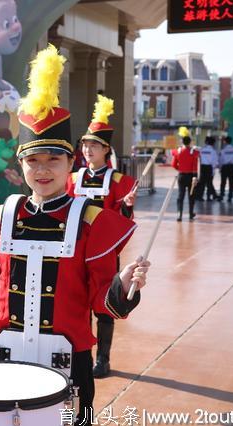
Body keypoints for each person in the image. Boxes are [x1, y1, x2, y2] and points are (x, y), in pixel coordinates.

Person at [0, 46, 150, 426]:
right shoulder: (0, 218)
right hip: (4, 359)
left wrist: (125, 286)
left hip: (70, 366)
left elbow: (100, 301)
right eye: (33, 161)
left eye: (53, 160)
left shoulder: (92, 223)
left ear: (71, 163)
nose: (43, 170)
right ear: (20, 164)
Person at [66, 94, 136, 379]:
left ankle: (102, 359)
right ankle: (75, 354)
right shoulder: (72, 178)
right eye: (85, 145)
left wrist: (127, 207)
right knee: (74, 303)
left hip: (104, 254)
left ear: (106, 149)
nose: (87, 150)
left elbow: (123, 224)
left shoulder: (120, 182)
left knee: (104, 306)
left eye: (93, 145)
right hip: (74, 250)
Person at [172, 127, 199, 221]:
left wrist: (180, 169)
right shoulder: (194, 152)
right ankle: (191, 214)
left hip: (181, 176)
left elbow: (173, 164)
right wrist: (195, 177)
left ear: (182, 142)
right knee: (191, 195)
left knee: (180, 195)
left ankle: (179, 214)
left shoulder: (178, 151)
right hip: (191, 176)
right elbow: (195, 166)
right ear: (190, 142)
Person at [196, 136, 219, 201]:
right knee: (209, 182)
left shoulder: (202, 150)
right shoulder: (213, 151)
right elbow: (214, 162)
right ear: (213, 143)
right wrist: (213, 171)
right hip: (209, 168)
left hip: (203, 167)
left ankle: (199, 196)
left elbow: (199, 158)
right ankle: (209, 197)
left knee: (202, 183)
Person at [218, 135, 233, 202]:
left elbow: (221, 160)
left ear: (225, 142)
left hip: (225, 167)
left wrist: (220, 168)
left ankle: (221, 195)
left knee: (223, 182)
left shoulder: (223, 150)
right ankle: (230, 196)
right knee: (232, 182)